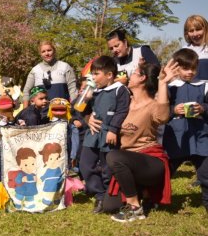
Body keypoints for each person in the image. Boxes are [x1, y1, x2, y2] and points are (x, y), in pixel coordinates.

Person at [104, 60, 176, 222]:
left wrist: (163, 83)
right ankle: (144, 193)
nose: (130, 76)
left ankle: (135, 207)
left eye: (135, 73)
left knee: (114, 157)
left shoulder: (152, 105)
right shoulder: (124, 103)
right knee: (109, 206)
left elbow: (163, 116)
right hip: (128, 162)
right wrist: (92, 118)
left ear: (143, 78)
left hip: (150, 162)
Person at [79, 56, 130, 214]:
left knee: (107, 168)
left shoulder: (120, 90)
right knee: (86, 165)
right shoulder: (93, 91)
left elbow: (122, 111)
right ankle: (99, 194)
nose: (92, 78)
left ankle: (110, 195)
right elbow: (80, 110)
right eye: (92, 74)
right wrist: (86, 108)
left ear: (109, 75)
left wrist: (113, 129)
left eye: (96, 74)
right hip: (92, 134)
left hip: (109, 135)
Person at [163, 49, 208, 213]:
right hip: (177, 138)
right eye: (185, 68)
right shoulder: (170, 87)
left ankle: (206, 201)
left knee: (205, 173)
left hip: (201, 138)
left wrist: (202, 108)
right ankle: (156, 199)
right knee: (166, 170)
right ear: (177, 68)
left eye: (193, 68)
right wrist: (174, 110)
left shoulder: (204, 85)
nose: (190, 72)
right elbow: (161, 111)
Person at [22, 40, 78, 107]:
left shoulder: (65, 67)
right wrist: (25, 111)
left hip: (62, 111)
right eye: (43, 51)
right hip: (41, 114)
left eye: (49, 50)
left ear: (54, 51)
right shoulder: (35, 70)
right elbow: (26, 91)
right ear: (40, 54)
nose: (47, 53)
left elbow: (73, 90)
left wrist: (74, 110)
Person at [183, 15, 208, 80]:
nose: (195, 34)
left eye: (198, 29)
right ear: (187, 33)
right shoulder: (184, 51)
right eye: (191, 31)